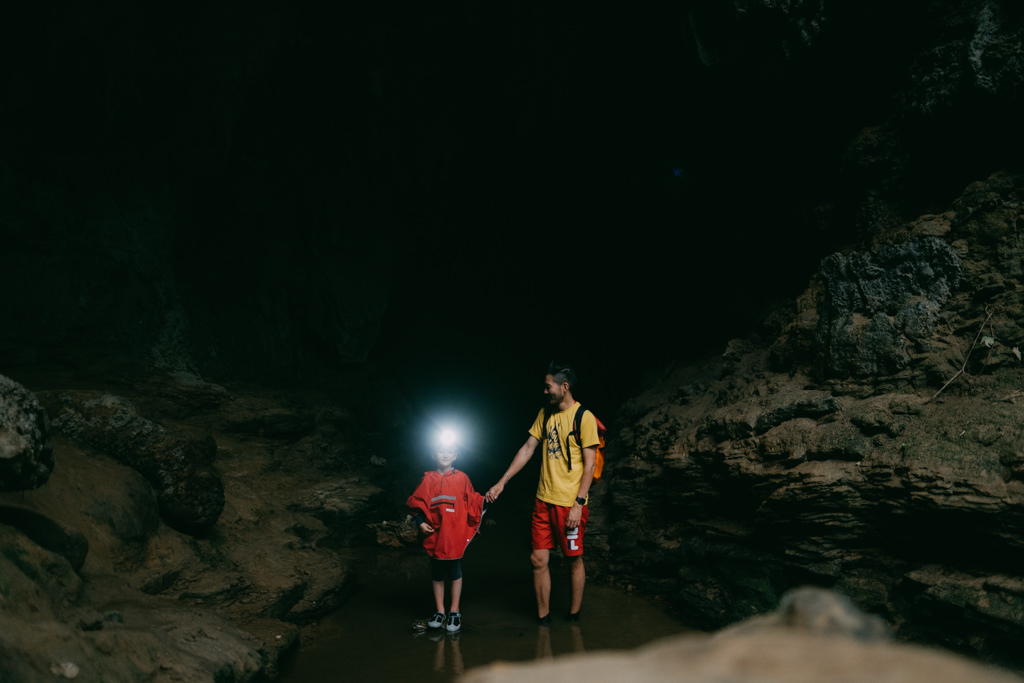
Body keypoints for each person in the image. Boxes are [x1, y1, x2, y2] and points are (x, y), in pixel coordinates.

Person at [485, 361, 599, 624]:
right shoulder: (545, 414)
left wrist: (578, 504)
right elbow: (527, 448)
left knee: (573, 560)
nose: (545, 391)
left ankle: (573, 616)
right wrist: (502, 482)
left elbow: (590, 464)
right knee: (538, 560)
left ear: (564, 386)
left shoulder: (584, 417)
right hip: (542, 503)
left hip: (568, 503)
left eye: (548, 386)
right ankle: (543, 619)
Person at [407, 435, 484, 634]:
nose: (445, 454)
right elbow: (416, 505)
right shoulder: (427, 479)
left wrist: (487, 499)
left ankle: (454, 611)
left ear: (456, 455)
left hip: (454, 533)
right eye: (441, 450)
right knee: (437, 572)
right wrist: (420, 523)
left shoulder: (462, 478)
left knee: (455, 570)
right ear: (433, 454)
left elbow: (473, 502)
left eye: (450, 451)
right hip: (435, 535)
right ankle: (440, 611)